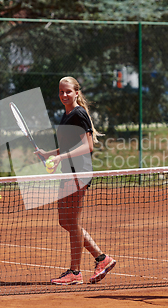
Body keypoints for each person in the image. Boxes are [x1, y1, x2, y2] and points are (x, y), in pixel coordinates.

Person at [35, 76, 116, 285]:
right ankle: (101, 258)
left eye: (68, 91)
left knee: (72, 222)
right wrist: (49, 153)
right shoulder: (67, 114)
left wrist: (61, 157)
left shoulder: (79, 113)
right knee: (66, 221)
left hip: (78, 173)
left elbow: (87, 146)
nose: (64, 95)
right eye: (61, 92)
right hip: (67, 172)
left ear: (76, 93)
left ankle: (75, 272)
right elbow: (69, 145)